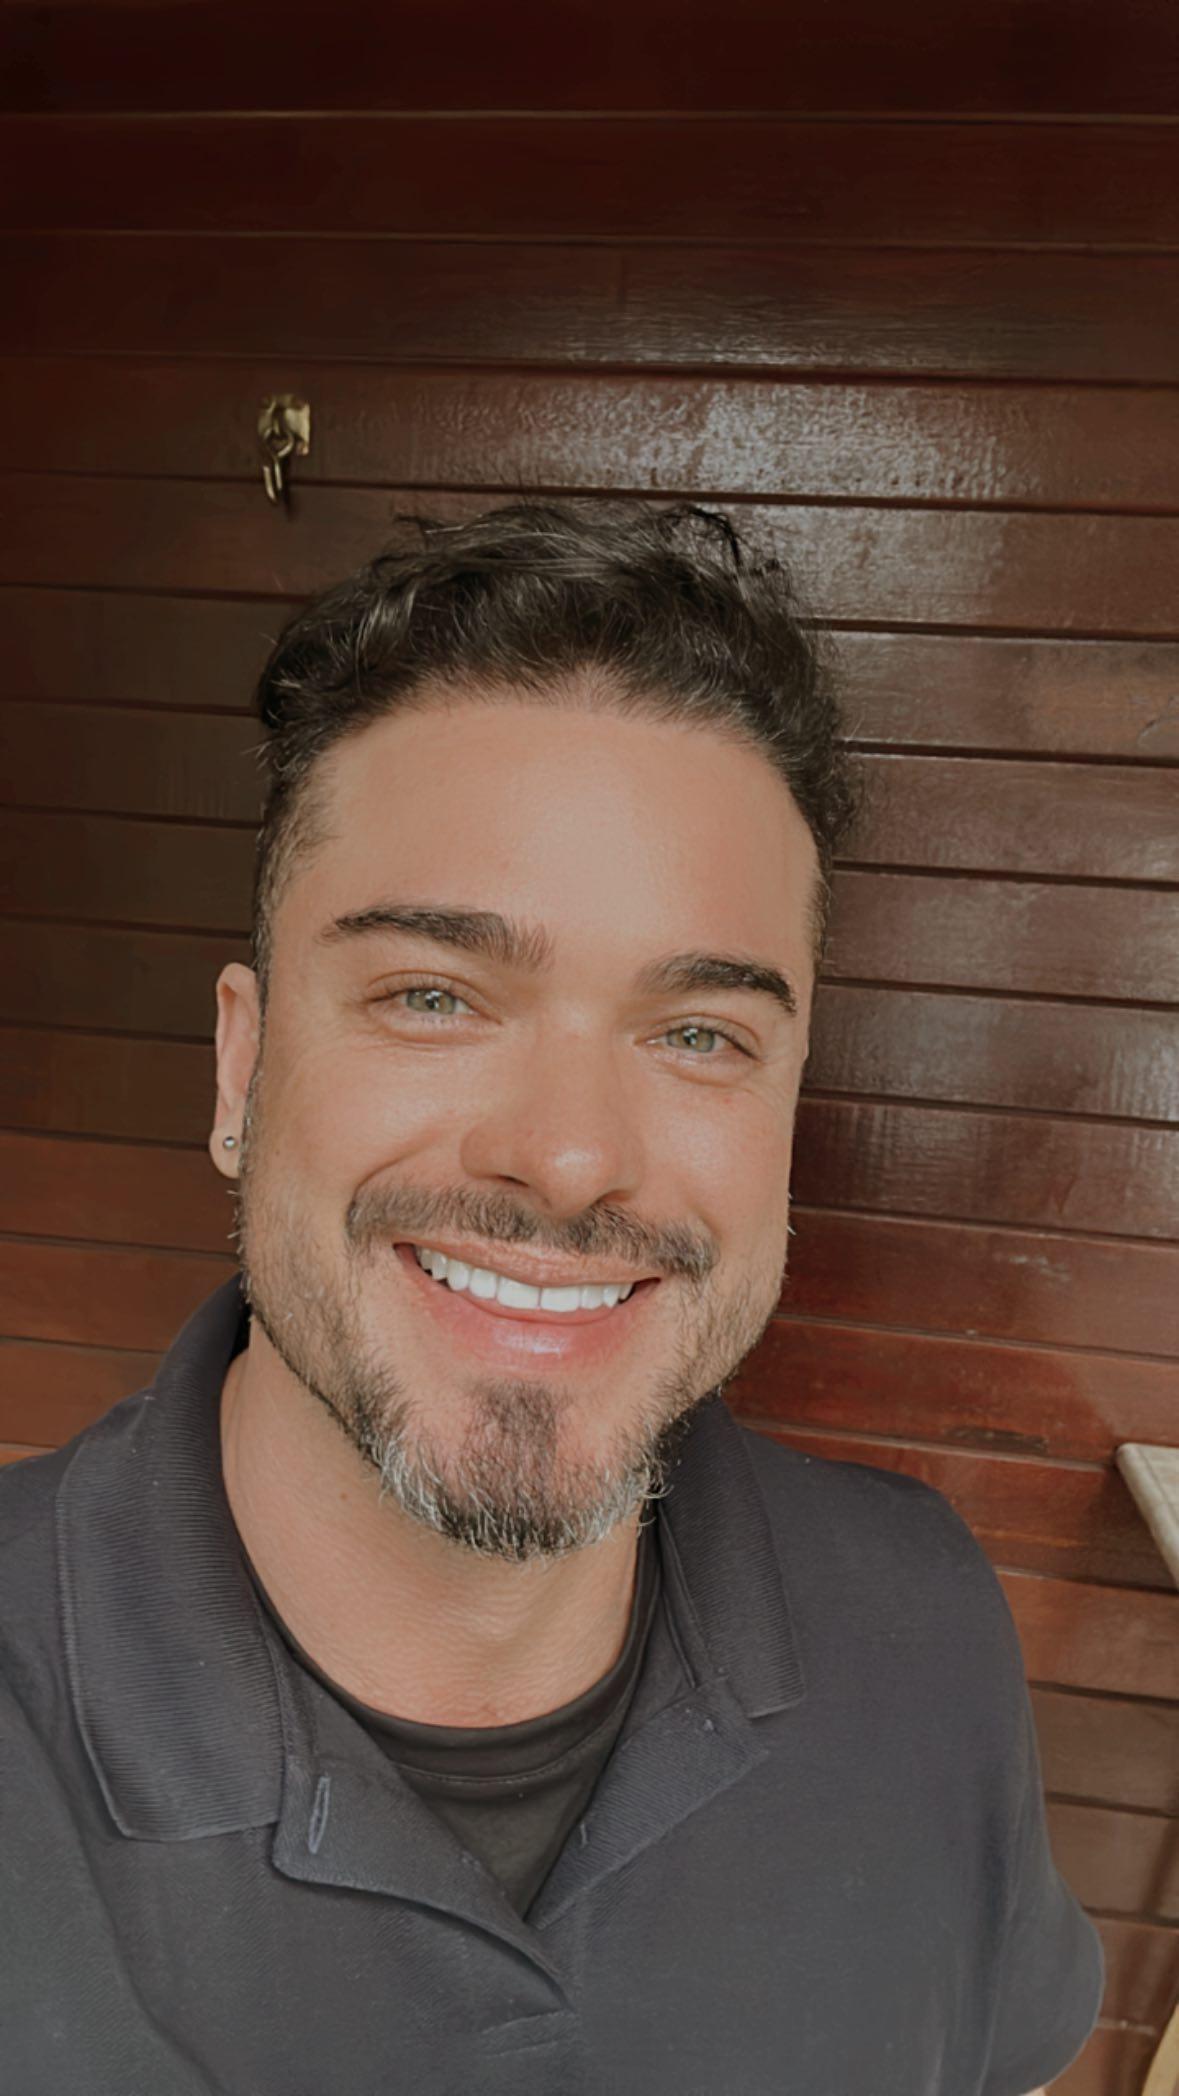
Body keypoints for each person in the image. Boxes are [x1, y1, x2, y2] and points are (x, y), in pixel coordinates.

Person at [0, 501, 1102, 2094]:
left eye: (700, 1033)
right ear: (241, 1066)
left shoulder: (924, 1625)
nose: (574, 1157)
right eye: (434, 996)